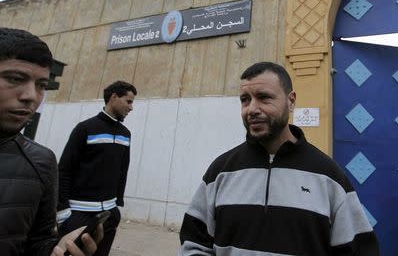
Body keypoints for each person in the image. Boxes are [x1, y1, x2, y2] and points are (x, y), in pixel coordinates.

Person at [178, 62, 380, 256]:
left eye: (263, 97)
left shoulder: (329, 176)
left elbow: (358, 249)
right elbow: (194, 242)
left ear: (291, 101)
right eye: (245, 100)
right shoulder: (220, 171)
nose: (252, 109)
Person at [0, 27, 102, 255]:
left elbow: (39, 242)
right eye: (15, 79)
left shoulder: (41, 161)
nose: (31, 96)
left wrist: (57, 248)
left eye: (41, 86)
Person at [57, 80, 137, 256]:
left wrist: (117, 206)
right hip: (79, 213)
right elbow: (64, 170)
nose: (131, 108)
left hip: (108, 214)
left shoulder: (126, 134)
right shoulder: (85, 128)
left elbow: (123, 170)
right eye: (128, 101)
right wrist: (62, 212)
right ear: (114, 97)